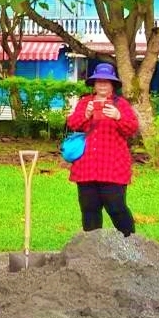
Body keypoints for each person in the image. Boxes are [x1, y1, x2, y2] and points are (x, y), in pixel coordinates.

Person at [64, 62, 140, 236]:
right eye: (99, 81)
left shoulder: (121, 104)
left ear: (113, 84)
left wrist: (118, 116)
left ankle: (131, 243)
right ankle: (92, 247)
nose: (103, 85)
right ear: (94, 84)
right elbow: (73, 124)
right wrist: (86, 114)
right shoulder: (85, 103)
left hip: (114, 166)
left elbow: (132, 129)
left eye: (107, 81)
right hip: (86, 166)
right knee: (89, 209)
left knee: (116, 207)